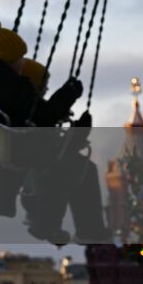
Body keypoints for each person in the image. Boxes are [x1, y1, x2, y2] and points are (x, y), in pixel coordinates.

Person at [0, 18, 79, 220]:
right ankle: (44, 219)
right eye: (20, 56)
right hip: (11, 145)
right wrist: (69, 93)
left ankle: (1, 203)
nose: (23, 61)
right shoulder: (15, 87)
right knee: (61, 154)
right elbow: (44, 117)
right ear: (9, 59)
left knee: (17, 149)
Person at [14, 60, 108, 244]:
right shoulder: (29, 107)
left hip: (33, 162)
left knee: (73, 169)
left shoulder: (18, 103)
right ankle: (88, 230)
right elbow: (53, 142)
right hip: (41, 162)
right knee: (82, 171)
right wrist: (78, 134)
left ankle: (48, 223)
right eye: (44, 87)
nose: (46, 91)